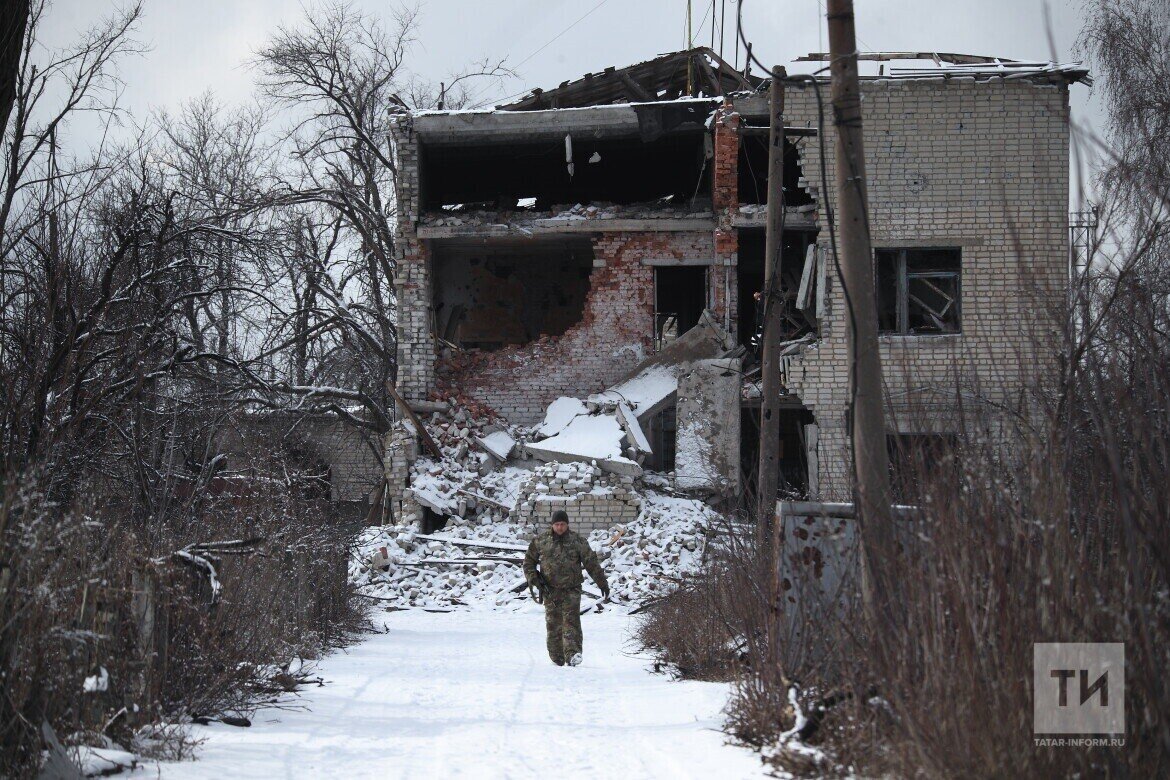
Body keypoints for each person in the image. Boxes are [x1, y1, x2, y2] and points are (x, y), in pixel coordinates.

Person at [523, 509, 609, 667]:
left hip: (572, 589)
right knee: (553, 624)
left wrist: (602, 582)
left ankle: (573, 654)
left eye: (562, 524)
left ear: (567, 524)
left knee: (571, 622)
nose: (560, 527)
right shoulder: (541, 541)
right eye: (557, 524)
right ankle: (557, 657)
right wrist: (533, 578)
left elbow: (591, 562)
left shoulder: (578, 541)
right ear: (552, 525)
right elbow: (528, 562)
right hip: (550, 590)